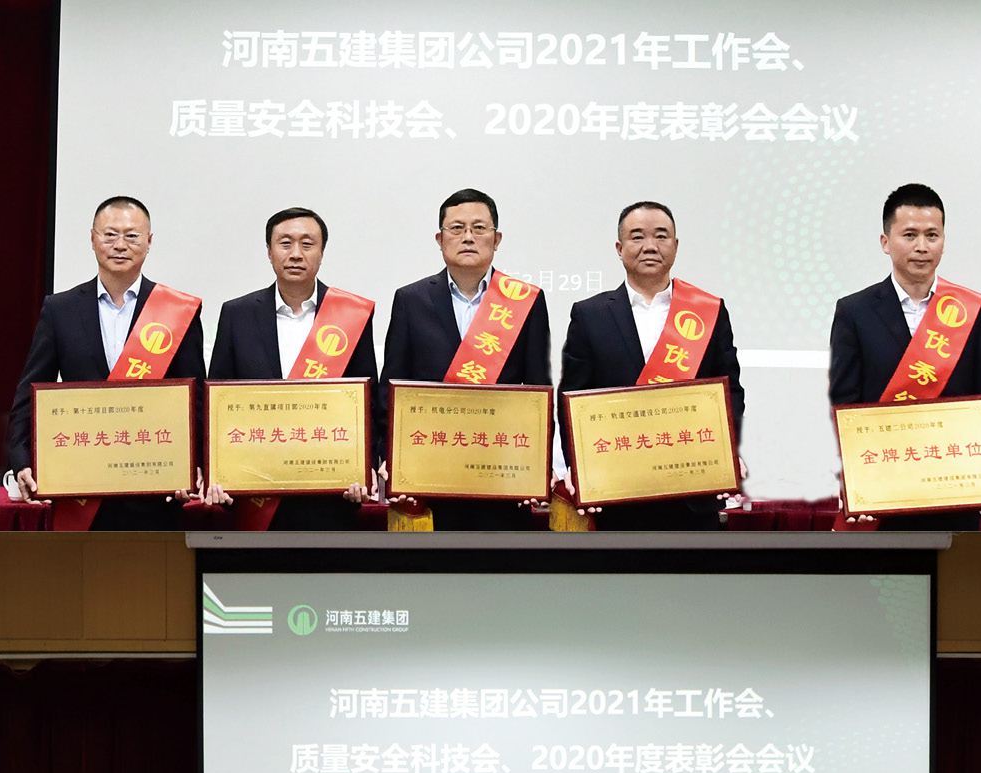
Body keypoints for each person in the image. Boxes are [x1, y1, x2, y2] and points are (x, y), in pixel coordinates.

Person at [6, 195, 204, 526]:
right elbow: (30, 391)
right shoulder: (60, 310)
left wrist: (195, 465)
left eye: (132, 236)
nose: (120, 245)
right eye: (110, 235)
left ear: (149, 242)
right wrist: (22, 460)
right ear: (92, 238)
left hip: (155, 488)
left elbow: (195, 399)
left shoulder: (177, 311)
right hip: (80, 485)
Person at [558, 200, 745, 530]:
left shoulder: (708, 310)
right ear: (619, 248)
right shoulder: (590, 315)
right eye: (637, 236)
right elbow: (572, 398)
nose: (650, 246)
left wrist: (727, 453)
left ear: (676, 245)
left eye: (661, 236)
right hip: (618, 488)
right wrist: (580, 468)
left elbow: (731, 393)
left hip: (693, 487)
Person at [829, 184, 981, 533]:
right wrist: (856, 480)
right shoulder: (854, 312)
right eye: (909, 235)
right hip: (885, 487)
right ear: (885, 242)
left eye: (932, 235)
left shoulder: (975, 309)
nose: (922, 246)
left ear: (943, 241)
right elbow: (845, 404)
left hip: (955, 485)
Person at [376, 187, 551, 530]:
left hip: (501, 470)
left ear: (497, 239)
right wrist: (390, 456)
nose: (468, 237)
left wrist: (536, 466)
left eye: (479, 228)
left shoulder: (525, 300)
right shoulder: (410, 300)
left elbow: (537, 391)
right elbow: (391, 387)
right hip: (429, 471)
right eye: (457, 228)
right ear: (439, 239)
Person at [206, 206, 377, 526]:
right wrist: (216, 469)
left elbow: (369, 401)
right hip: (255, 488)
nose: (296, 254)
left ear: (322, 252)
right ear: (269, 252)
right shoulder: (237, 314)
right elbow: (217, 401)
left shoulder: (351, 315)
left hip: (330, 489)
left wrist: (364, 467)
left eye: (307, 244)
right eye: (285, 243)